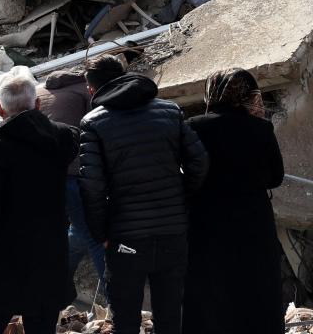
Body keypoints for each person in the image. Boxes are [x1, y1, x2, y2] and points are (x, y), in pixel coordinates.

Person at [79, 56, 209, 334]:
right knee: (170, 315)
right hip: (173, 232)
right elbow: (199, 162)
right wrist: (180, 201)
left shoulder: (93, 122)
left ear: (92, 89)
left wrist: (99, 233)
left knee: (125, 319)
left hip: (126, 238)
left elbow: (92, 186)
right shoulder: (169, 111)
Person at [0, 74, 78, 334]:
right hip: (49, 253)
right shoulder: (63, 137)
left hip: (3, 256)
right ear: (37, 104)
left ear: (0, 109)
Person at [182, 69, 284, 334]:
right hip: (253, 221)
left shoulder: (194, 126)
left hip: (207, 221)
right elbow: (276, 177)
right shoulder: (261, 128)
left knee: (211, 285)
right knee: (256, 284)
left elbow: (186, 173)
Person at [37, 71, 106, 291]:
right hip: (74, 172)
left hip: (44, 176)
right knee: (95, 235)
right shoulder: (87, 93)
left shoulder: (40, 91)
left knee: (79, 232)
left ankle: (56, 285)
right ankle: (115, 299)